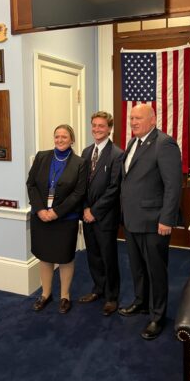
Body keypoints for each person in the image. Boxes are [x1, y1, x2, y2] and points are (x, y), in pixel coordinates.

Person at [119, 104, 182, 340]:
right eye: (131, 118)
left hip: (155, 221)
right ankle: (141, 302)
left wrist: (167, 219)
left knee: (156, 271)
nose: (133, 122)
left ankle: (157, 316)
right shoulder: (132, 143)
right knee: (137, 267)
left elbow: (173, 186)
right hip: (132, 219)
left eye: (138, 118)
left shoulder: (164, 143)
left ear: (153, 119)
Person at [26, 124, 88, 314]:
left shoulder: (80, 163)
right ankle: (45, 294)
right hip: (41, 217)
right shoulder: (41, 157)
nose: (60, 140)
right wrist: (40, 209)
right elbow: (31, 184)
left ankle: (64, 296)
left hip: (65, 219)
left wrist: (57, 212)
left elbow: (79, 193)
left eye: (64, 137)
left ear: (72, 140)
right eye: (57, 137)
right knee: (45, 257)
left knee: (65, 258)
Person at [79, 111, 123, 316]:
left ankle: (112, 296)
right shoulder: (86, 152)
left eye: (101, 126)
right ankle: (98, 289)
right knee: (93, 255)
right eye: (94, 125)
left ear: (109, 128)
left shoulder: (117, 154)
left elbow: (114, 188)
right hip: (87, 214)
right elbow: (82, 185)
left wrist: (95, 211)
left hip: (105, 217)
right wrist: (86, 209)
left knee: (108, 256)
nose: (97, 129)